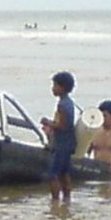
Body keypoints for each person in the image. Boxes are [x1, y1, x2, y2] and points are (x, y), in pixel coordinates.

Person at [40, 71, 77, 202]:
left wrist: (47, 122)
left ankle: (55, 200)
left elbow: (63, 126)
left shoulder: (62, 105)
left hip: (62, 143)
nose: (53, 88)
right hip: (68, 143)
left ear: (62, 87)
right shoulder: (69, 102)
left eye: (55, 85)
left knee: (53, 175)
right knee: (63, 173)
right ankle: (67, 199)